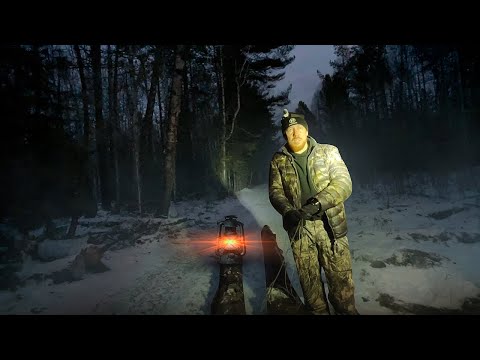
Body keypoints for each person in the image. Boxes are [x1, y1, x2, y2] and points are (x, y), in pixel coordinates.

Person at [268, 109, 359, 315]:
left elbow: (343, 183)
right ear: (285, 134)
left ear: (307, 130)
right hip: (300, 231)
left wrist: (317, 204)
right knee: (311, 292)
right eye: (290, 130)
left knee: (342, 288)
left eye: (299, 128)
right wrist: (288, 211)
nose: (295, 133)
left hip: (331, 228)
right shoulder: (278, 160)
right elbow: (275, 192)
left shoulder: (328, 151)